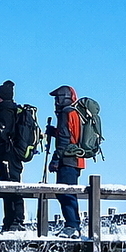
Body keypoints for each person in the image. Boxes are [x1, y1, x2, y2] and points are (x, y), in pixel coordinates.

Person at [46, 85, 85, 237]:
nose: (55, 101)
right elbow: (71, 135)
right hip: (77, 158)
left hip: (68, 159)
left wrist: (55, 159)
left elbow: (64, 139)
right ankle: (73, 224)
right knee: (68, 192)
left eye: (57, 97)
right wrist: (54, 132)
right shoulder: (75, 113)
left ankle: (72, 225)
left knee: (65, 192)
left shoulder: (65, 113)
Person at [0, 80, 28, 232]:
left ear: (1, 97)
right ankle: (14, 220)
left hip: (8, 153)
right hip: (14, 154)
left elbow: (3, 133)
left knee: (10, 186)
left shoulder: (4, 110)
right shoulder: (13, 109)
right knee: (13, 185)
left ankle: (14, 221)